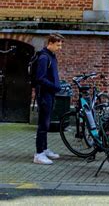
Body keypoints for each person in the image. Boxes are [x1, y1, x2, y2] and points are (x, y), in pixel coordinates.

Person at [34, 33, 64, 165]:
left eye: (61, 44)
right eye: (58, 45)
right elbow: (40, 78)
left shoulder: (52, 56)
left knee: (46, 123)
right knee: (43, 124)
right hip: (44, 94)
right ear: (50, 43)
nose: (60, 47)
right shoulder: (44, 58)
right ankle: (39, 154)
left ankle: (44, 149)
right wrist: (54, 86)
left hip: (50, 93)